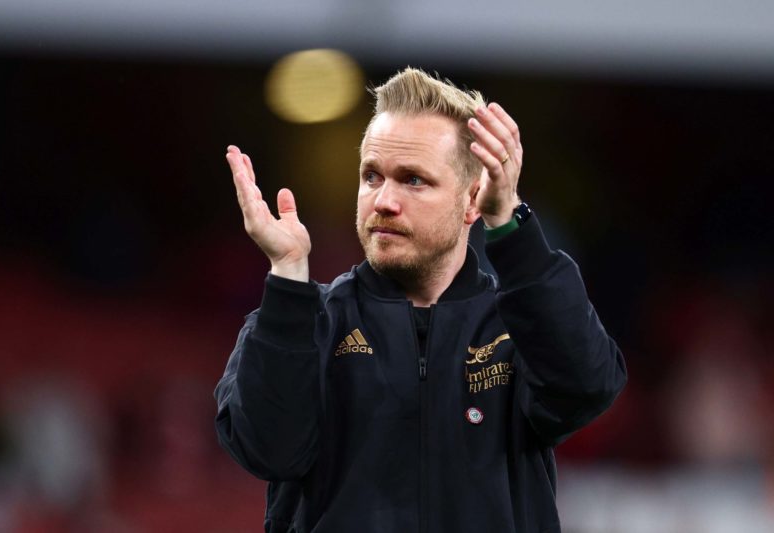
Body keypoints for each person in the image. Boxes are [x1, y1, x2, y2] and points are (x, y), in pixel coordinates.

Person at [214, 67, 627, 533]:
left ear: (473, 201)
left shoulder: (518, 328)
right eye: (372, 176)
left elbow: (587, 388)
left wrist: (511, 227)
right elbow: (269, 450)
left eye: (413, 180)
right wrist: (288, 276)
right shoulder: (304, 323)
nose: (383, 200)